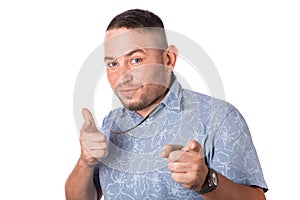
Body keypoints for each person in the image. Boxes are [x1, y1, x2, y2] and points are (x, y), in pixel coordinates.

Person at [65, 9, 267, 200]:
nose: (122, 77)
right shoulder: (111, 123)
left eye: (136, 60)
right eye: (112, 64)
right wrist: (85, 162)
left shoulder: (220, 118)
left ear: (169, 59)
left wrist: (206, 180)